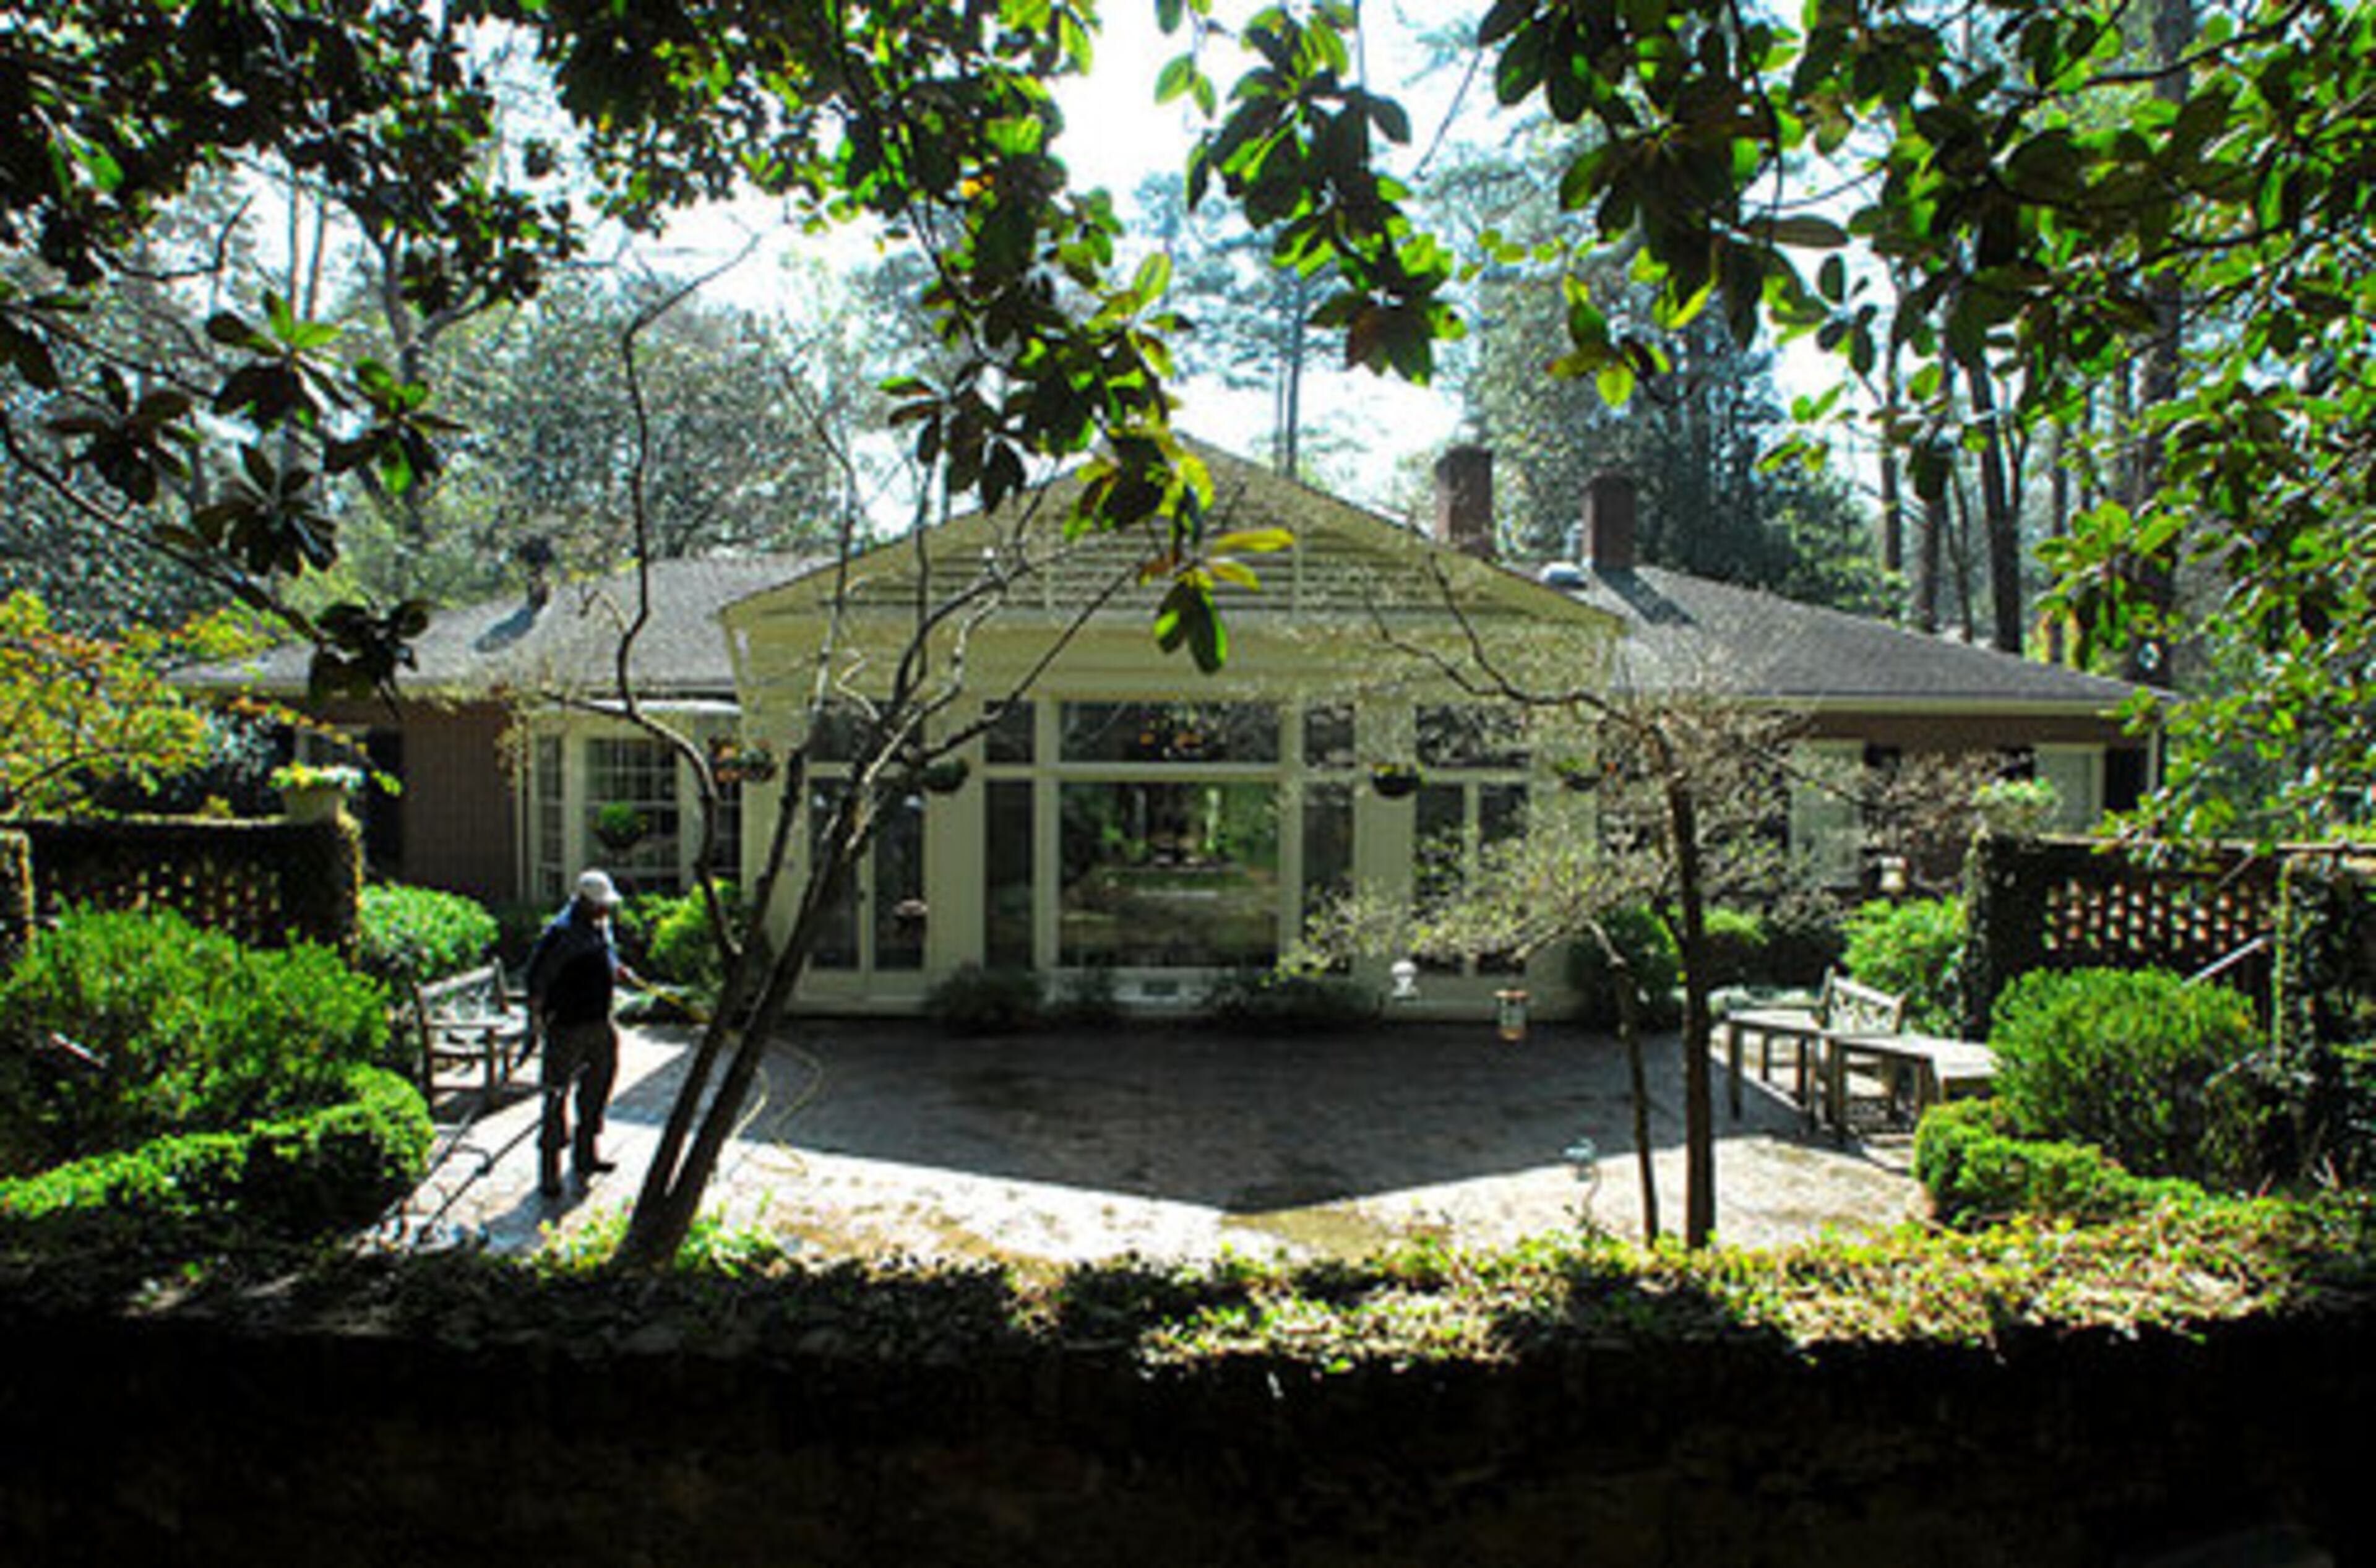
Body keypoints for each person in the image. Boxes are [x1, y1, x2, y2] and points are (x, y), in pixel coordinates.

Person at [523, 868, 634, 1198]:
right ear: (584, 901)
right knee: (556, 1097)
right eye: (601, 905)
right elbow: (536, 979)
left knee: (597, 1090)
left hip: (600, 1023)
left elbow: (608, 955)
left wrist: (617, 969)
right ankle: (549, 1172)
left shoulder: (599, 927)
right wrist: (537, 1017)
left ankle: (586, 1157)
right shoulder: (561, 933)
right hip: (567, 1028)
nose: (606, 910)